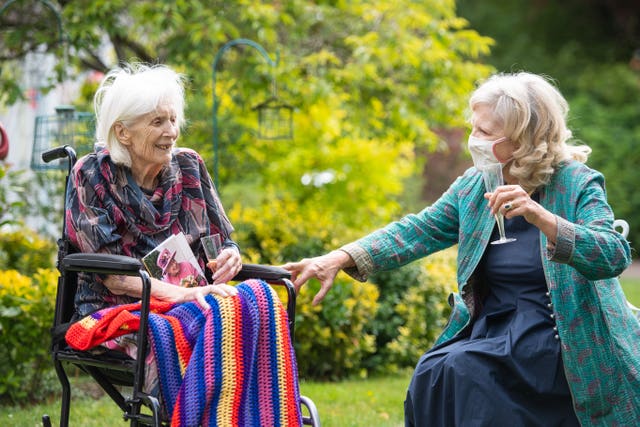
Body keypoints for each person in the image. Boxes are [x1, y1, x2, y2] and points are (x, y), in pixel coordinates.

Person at [283, 72, 640, 426]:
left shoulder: (576, 183)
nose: (474, 140)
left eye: (485, 133)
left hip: (558, 333)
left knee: (468, 372)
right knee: (433, 372)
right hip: (494, 326)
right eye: (474, 128)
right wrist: (339, 257)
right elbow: (416, 231)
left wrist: (542, 217)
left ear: (523, 139)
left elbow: (612, 255)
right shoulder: (474, 187)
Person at [64, 63, 302, 425]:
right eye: (157, 122)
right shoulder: (92, 174)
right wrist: (184, 296)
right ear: (123, 132)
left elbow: (222, 241)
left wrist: (229, 257)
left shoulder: (190, 166)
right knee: (189, 336)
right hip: (121, 308)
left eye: (173, 120)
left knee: (254, 307)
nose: (171, 132)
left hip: (197, 301)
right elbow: (114, 277)